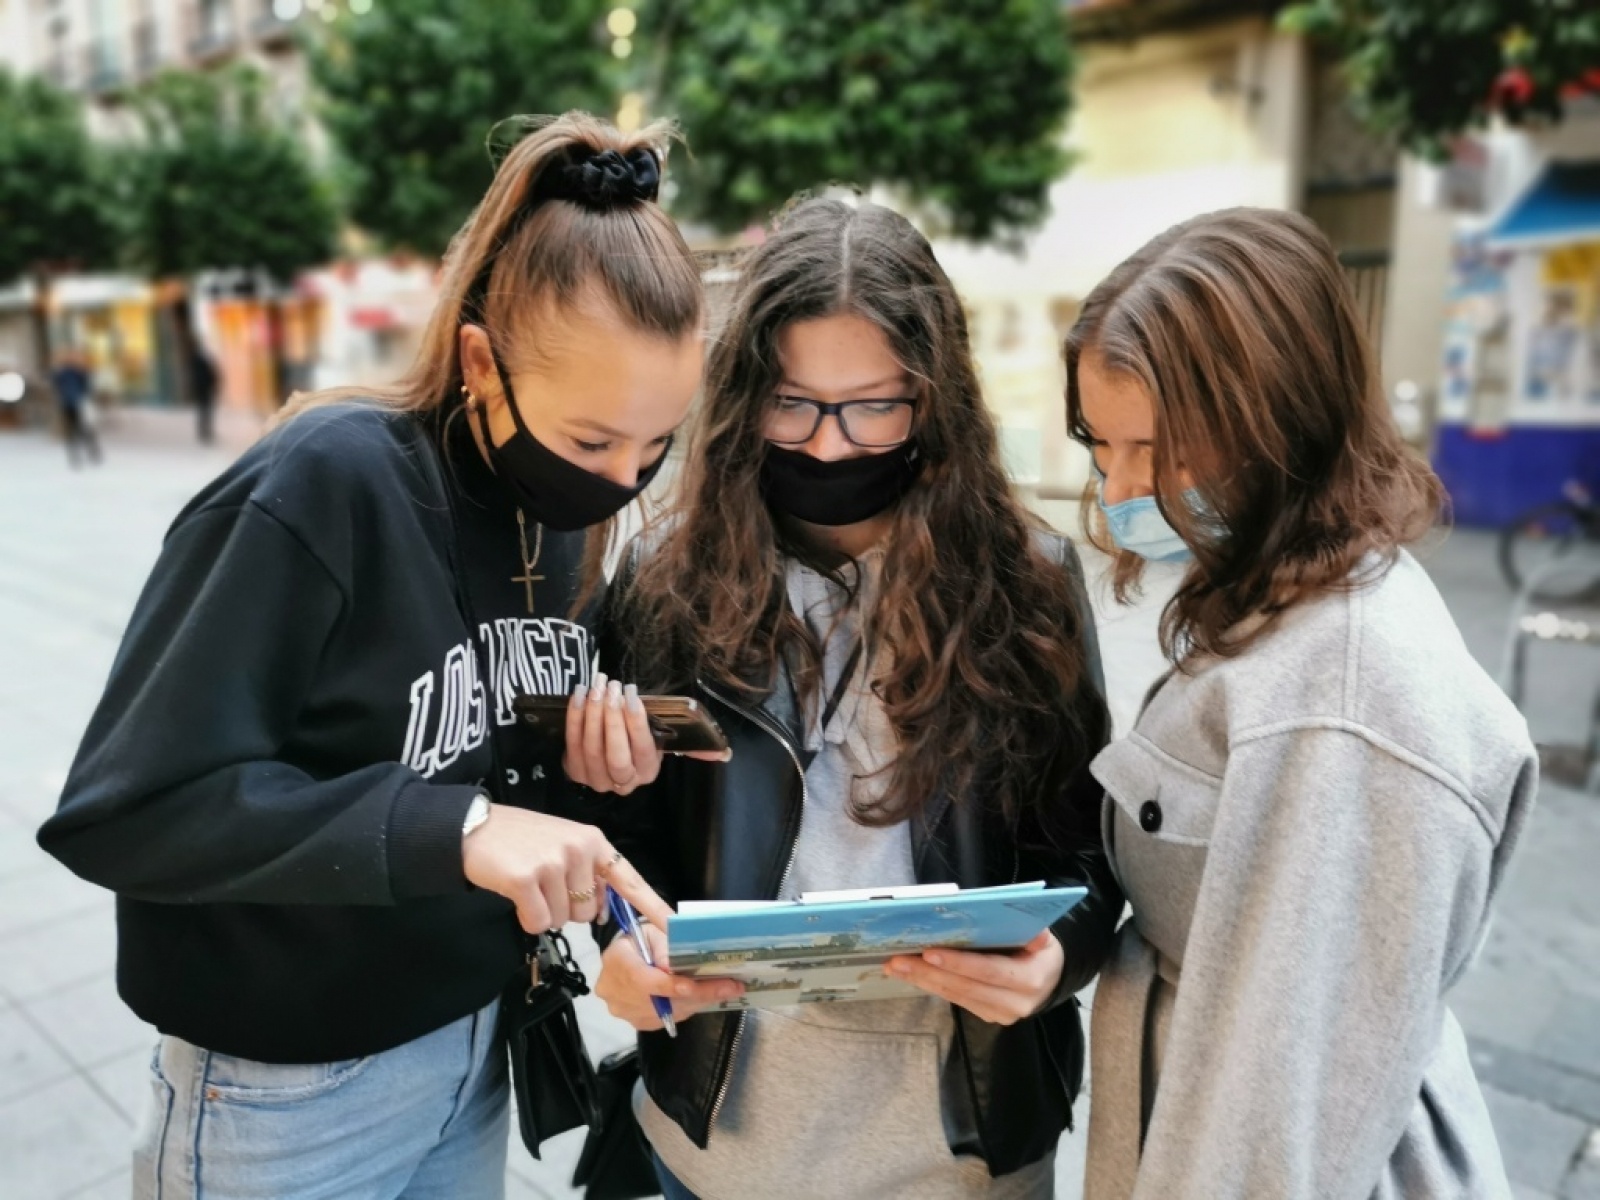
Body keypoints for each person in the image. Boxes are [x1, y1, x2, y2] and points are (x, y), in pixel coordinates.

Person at [38, 112, 711, 1200]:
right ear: (480, 363)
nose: (623, 480)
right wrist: (469, 828)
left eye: (656, 445)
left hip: (476, 1048)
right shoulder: (325, 481)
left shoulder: (567, 518)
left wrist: (590, 777)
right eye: (591, 441)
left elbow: (477, 770)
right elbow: (129, 808)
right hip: (279, 1093)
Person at [594, 195, 1121, 1200]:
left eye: (874, 405)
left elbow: (1086, 846)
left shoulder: (1030, 580)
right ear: (741, 393)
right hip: (718, 1130)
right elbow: (619, 827)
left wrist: (1059, 961)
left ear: (935, 401)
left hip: (958, 1144)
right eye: (790, 403)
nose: (830, 447)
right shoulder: (667, 573)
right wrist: (618, 943)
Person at [1065, 208, 1537, 1198]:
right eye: (1101, 446)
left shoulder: (1337, 696)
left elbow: (1275, 1118)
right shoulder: (1292, 590)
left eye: (1156, 449)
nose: (1119, 488)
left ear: (1276, 416)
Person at [51, 347, 102, 467]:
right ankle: (77, 456)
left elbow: (87, 386)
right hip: (69, 403)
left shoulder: (79, 371)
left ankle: (92, 453)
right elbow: (56, 385)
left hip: (79, 403)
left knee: (85, 429)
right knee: (75, 430)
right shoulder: (63, 372)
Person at [189, 337, 219, 444]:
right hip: (202, 388)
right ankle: (203, 431)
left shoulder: (203, 358)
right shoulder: (197, 359)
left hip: (206, 387)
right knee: (203, 410)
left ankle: (206, 430)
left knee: (206, 410)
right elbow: (199, 375)